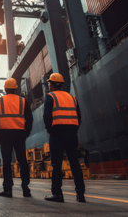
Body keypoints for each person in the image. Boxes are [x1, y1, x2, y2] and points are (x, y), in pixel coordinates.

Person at [43, 73, 86, 203]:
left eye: (49, 83)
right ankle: (81, 195)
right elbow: (79, 117)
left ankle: (57, 194)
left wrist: (51, 131)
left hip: (57, 133)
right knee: (74, 163)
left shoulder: (50, 97)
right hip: (72, 133)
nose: (48, 85)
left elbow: (47, 118)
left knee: (56, 164)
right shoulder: (72, 97)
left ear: (52, 84)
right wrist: (73, 130)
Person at [0, 78, 33, 198]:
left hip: (5, 134)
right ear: (16, 89)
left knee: (6, 162)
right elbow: (29, 119)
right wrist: (26, 133)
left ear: (5, 89)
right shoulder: (23, 101)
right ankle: (26, 189)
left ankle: (8, 190)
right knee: (22, 161)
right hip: (20, 134)